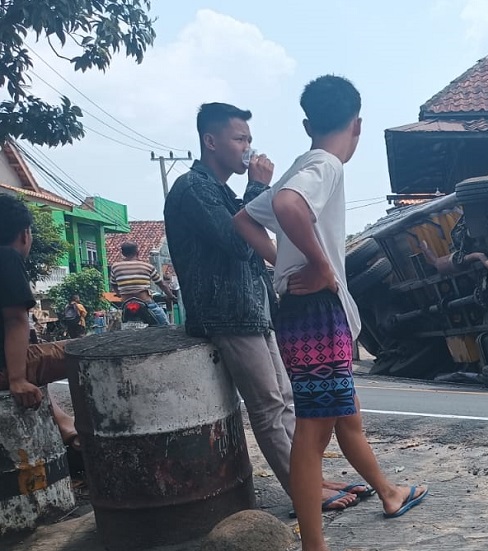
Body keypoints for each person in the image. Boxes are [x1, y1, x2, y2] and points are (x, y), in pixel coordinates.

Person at [235, 75, 428, 551]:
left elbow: (244, 219)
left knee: (346, 417)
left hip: (307, 311)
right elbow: (286, 204)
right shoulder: (325, 165)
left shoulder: (303, 162)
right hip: (317, 311)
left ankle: (388, 491)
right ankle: (314, 545)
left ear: (307, 123)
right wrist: (320, 266)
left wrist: (285, 260)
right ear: (357, 124)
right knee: (314, 430)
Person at [164, 102, 366, 516]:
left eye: (249, 139)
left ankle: (310, 479)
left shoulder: (219, 190)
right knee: (269, 404)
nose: (247, 148)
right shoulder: (192, 188)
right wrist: (258, 186)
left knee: (289, 399)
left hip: (253, 310)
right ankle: (301, 492)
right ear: (211, 141)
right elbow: (237, 241)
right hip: (227, 313)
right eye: (239, 139)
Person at [0, 195, 83, 470]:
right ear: (25, 234)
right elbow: (15, 320)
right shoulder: (7, 257)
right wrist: (17, 379)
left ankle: (68, 430)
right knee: (88, 352)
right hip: (2, 368)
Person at [110, 241, 175, 325]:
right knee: (163, 323)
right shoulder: (147, 266)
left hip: (126, 302)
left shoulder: (115, 267)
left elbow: (113, 283)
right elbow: (161, 284)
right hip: (145, 301)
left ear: (122, 253)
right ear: (138, 252)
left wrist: (118, 293)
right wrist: (171, 296)